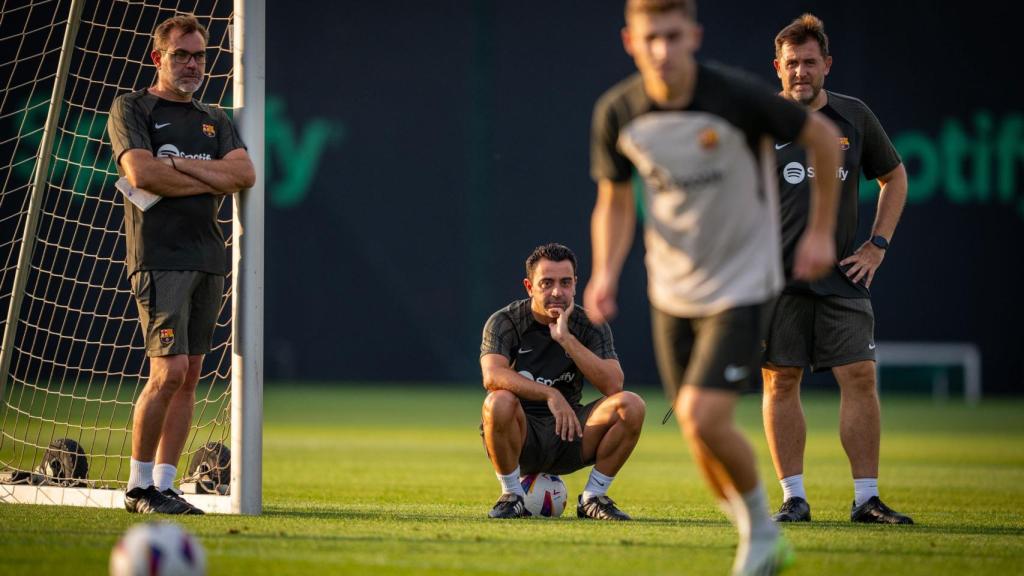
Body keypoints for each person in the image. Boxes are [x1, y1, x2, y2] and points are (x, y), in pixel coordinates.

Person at [584, 1, 842, 573]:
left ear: (694, 36)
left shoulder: (738, 98)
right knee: (698, 436)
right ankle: (760, 533)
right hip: (671, 292)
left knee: (701, 416)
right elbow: (615, 202)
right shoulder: (617, 113)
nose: (663, 50)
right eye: (651, 38)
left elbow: (823, 141)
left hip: (744, 282)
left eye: (674, 36)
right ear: (630, 40)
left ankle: (758, 537)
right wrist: (604, 270)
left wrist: (821, 233)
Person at [761, 14, 912, 525]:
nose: (801, 72)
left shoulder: (854, 116)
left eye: (809, 62)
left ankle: (866, 499)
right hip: (775, 282)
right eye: (791, 64)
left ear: (826, 64)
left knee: (860, 377)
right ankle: (793, 498)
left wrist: (877, 245)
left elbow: (894, 176)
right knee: (781, 382)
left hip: (842, 278)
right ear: (777, 68)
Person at [106, 14, 255, 514]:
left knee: (190, 374)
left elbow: (245, 173)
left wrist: (176, 165)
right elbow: (141, 174)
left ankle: (165, 485)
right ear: (158, 58)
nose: (192, 64)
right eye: (181, 55)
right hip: (159, 258)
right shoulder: (133, 107)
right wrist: (209, 176)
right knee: (166, 372)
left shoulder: (215, 117)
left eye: (199, 56)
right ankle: (137, 486)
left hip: (207, 256)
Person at [480, 243, 646, 520]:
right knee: (498, 401)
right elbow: (492, 375)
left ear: (575, 285)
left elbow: (613, 385)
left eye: (565, 282)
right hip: (520, 438)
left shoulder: (588, 324)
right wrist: (550, 395)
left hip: (570, 434)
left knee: (631, 405)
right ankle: (511, 495)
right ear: (529, 286)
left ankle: (594, 497)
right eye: (546, 283)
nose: (557, 291)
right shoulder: (506, 321)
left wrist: (567, 338)